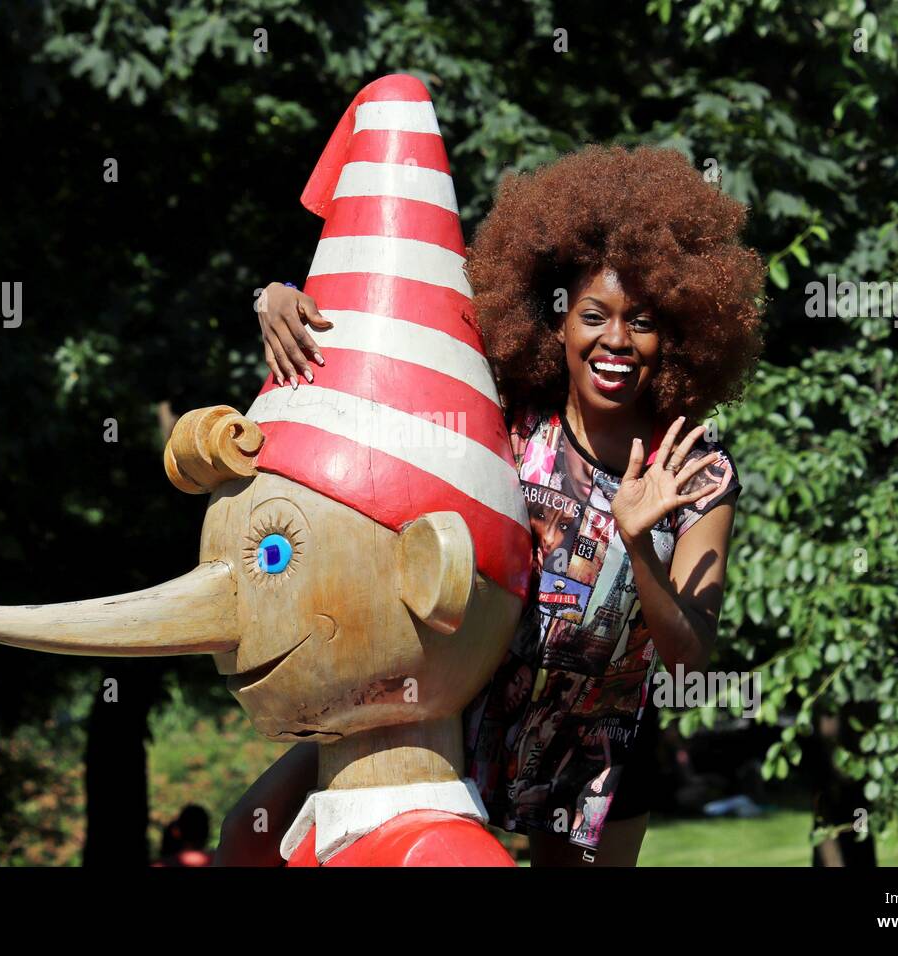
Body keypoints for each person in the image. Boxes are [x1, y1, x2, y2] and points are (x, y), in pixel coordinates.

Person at [217, 144, 764, 867]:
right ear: (557, 323)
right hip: (456, 700)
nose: (617, 341)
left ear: (680, 335)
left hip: (591, 751)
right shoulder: (504, 416)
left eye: (644, 321)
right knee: (249, 832)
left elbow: (690, 654)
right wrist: (277, 294)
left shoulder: (696, 472)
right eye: (594, 315)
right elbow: (396, 327)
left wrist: (639, 543)